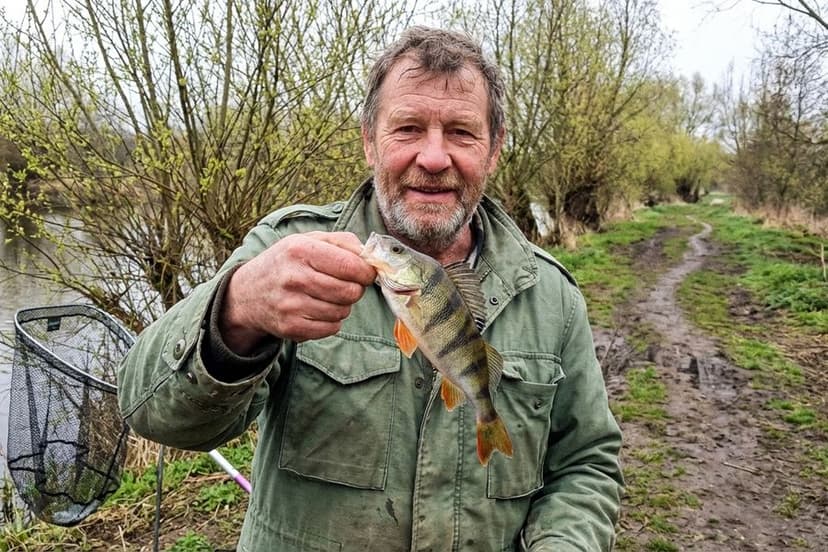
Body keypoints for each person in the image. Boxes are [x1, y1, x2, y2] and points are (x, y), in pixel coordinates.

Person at [117, 26, 623, 552]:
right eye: (407, 128)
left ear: (493, 151)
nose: (433, 158)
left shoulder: (552, 297)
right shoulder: (287, 250)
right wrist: (238, 310)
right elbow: (149, 411)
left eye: (462, 133)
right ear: (368, 141)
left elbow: (588, 464)